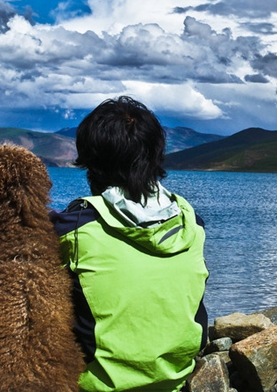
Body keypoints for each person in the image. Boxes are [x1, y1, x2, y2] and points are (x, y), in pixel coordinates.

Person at [52, 96, 208, 392]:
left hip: (94, 385)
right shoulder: (191, 222)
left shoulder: (74, 228)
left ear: (90, 161)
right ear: (155, 157)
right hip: (174, 381)